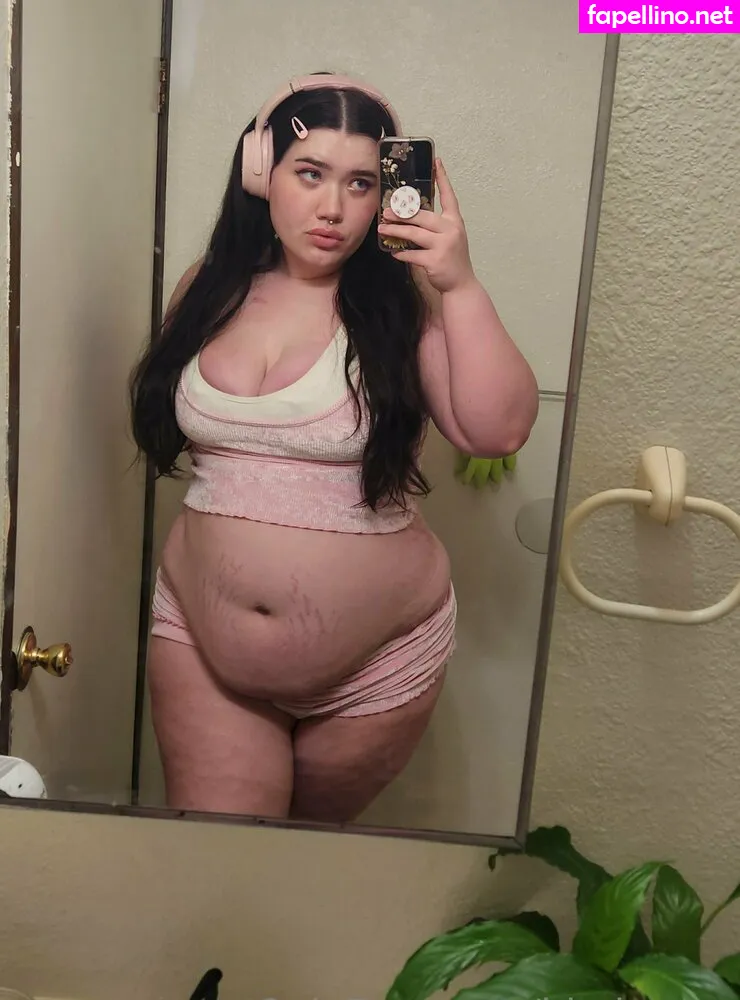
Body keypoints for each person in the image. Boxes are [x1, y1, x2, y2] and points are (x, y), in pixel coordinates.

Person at [129, 72, 539, 824]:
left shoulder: (404, 307)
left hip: (377, 667)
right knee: (221, 863)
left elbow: (496, 430)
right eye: (310, 173)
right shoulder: (205, 289)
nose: (333, 209)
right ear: (262, 173)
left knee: (309, 865)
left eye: (360, 183)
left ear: (385, 194)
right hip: (200, 645)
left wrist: (459, 284)